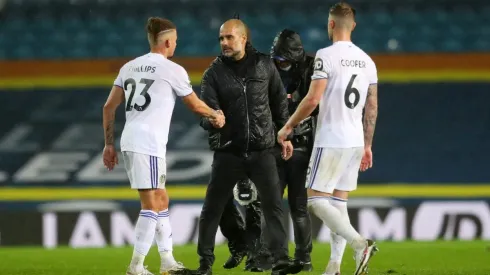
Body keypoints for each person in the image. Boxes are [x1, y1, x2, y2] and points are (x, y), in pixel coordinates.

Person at [101, 17, 225, 275]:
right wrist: (215, 115)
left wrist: (108, 145)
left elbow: (108, 106)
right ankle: (136, 266)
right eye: (176, 41)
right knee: (151, 205)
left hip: (131, 139)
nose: (176, 45)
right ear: (168, 41)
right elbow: (194, 104)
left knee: (161, 199)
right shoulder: (172, 69)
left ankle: (167, 261)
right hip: (148, 142)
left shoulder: (129, 67)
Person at [277, 2, 379, 275]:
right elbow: (372, 107)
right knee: (338, 203)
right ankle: (334, 266)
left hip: (332, 137)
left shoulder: (325, 55)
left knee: (316, 201)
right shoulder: (368, 61)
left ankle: (360, 243)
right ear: (353, 25)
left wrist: (288, 126)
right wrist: (368, 145)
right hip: (355, 139)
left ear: (331, 24)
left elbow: (312, 99)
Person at [194, 18, 302, 275]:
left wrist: (285, 135)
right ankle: (205, 264)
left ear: (243, 38)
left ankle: (280, 261)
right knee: (212, 209)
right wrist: (212, 119)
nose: (224, 43)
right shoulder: (213, 73)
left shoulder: (265, 65)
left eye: (229, 37)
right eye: (221, 38)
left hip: (262, 150)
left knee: (273, 207)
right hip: (228, 151)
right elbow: (203, 114)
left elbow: (279, 103)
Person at [270, 28, 316, 272]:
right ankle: (279, 258)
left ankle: (303, 259)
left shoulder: (312, 67)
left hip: (300, 144)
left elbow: (315, 105)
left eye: (283, 58)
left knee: (298, 206)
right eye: (277, 58)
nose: (279, 62)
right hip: (274, 144)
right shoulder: (269, 67)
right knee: (274, 206)